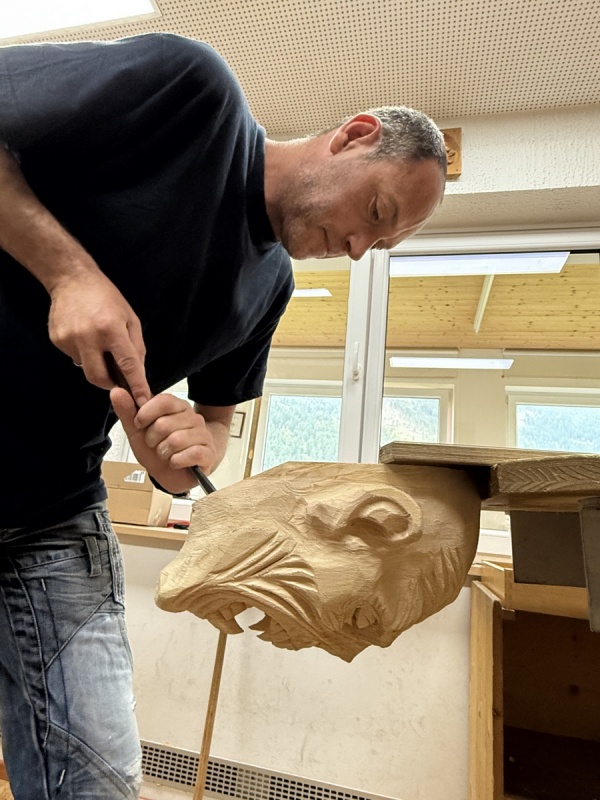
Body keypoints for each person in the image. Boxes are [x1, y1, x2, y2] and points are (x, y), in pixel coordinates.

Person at [0, 32, 446, 800]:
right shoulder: (191, 91)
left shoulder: (269, 289)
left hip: (53, 515)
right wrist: (68, 273)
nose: (356, 247)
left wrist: (180, 461)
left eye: (379, 245)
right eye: (374, 211)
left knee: (99, 785)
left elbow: (212, 431)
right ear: (354, 135)